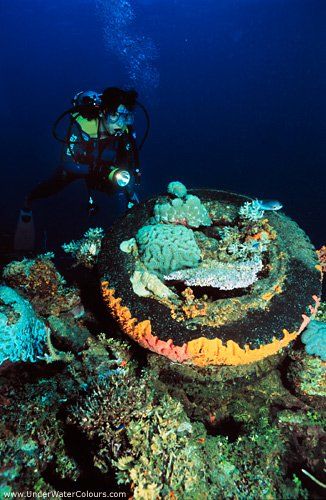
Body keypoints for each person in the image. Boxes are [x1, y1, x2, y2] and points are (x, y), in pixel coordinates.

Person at [15, 87, 142, 250]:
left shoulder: (125, 131)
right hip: (78, 164)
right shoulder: (83, 123)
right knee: (55, 183)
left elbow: (127, 165)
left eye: (125, 117)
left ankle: (126, 230)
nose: (120, 123)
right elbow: (67, 163)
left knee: (117, 187)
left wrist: (130, 191)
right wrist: (96, 170)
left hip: (102, 168)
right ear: (103, 112)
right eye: (115, 115)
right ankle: (28, 201)